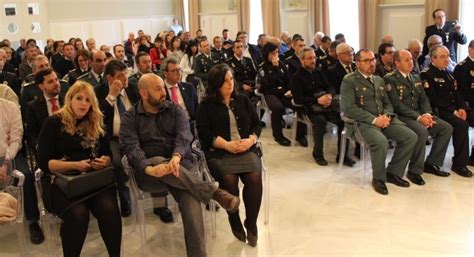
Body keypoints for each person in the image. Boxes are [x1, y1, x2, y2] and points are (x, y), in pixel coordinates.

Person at [120, 73, 240, 257]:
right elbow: (131, 147)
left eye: (163, 87)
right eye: (158, 89)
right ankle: (214, 192)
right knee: (159, 161)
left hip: (181, 168)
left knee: (190, 198)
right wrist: (148, 167)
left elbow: (184, 135)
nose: (164, 92)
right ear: (144, 94)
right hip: (150, 174)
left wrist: (176, 156)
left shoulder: (175, 110)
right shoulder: (130, 117)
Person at [37, 81, 121, 257]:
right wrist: (75, 165)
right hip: (62, 182)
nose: (83, 103)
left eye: (88, 100)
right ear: (70, 99)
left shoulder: (96, 121)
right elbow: (44, 163)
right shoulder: (53, 122)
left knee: (109, 209)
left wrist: (105, 161)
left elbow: (107, 153)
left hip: (93, 180)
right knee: (78, 215)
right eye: (79, 98)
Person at [196, 63, 262, 246]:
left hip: (246, 148)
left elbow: (257, 124)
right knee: (230, 180)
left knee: (255, 178)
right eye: (225, 81)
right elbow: (203, 133)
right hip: (220, 152)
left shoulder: (242, 100)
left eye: (231, 79)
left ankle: (251, 223)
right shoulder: (206, 105)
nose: (230, 84)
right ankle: (234, 220)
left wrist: (251, 140)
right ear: (216, 84)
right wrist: (226, 145)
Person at [340, 49, 417, 195]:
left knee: (410, 137)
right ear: (357, 63)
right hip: (361, 123)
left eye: (373, 60)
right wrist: (374, 120)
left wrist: (386, 116)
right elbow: (350, 108)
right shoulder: (349, 80)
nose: (372, 63)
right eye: (367, 61)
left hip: (383, 120)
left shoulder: (378, 80)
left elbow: (387, 103)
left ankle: (393, 173)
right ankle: (379, 178)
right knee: (381, 141)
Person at [384, 50, 453, 185]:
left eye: (411, 59)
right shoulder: (390, 78)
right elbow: (397, 105)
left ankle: (432, 163)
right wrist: (418, 117)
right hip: (403, 117)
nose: (411, 62)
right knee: (421, 131)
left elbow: (423, 99)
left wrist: (427, 113)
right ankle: (414, 171)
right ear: (397, 63)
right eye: (406, 60)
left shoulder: (415, 77)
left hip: (419, 115)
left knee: (446, 128)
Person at [291, 47, 354, 166]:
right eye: (310, 58)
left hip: (326, 104)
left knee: (343, 120)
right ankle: (318, 154)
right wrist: (317, 100)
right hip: (309, 108)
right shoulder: (296, 77)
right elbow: (298, 99)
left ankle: (342, 155)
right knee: (320, 121)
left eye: (314, 57)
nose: (313, 60)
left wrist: (329, 95)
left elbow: (330, 86)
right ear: (302, 60)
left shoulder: (318, 72)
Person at [420, 45, 474, 178]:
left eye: (448, 56)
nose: (447, 59)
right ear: (433, 58)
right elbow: (433, 99)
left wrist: (461, 107)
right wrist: (454, 111)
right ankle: (459, 164)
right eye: (442, 56)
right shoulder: (427, 74)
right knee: (462, 125)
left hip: (451, 109)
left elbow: (457, 94)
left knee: (467, 119)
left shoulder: (448, 73)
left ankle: (466, 158)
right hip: (438, 111)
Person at [0, 97, 44, 244]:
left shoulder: (10, 107)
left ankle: (33, 221)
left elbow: (16, 140)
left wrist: (6, 164)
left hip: (10, 154)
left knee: (25, 176)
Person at [258, 42, 305, 146]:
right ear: (267, 54)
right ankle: (278, 136)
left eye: (276, 52)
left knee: (298, 103)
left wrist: (290, 90)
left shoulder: (282, 64)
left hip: (283, 92)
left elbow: (288, 80)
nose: (275, 55)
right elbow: (268, 84)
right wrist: (274, 68)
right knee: (277, 107)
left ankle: (300, 135)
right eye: (273, 53)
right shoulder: (263, 67)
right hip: (270, 93)